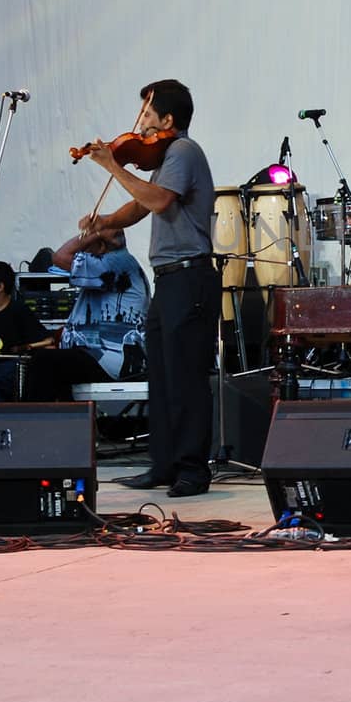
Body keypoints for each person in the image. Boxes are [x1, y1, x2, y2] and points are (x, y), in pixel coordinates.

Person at [79, 79, 220, 498]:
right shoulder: (164, 157)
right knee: (159, 376)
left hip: (189, 276)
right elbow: (140, 206)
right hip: (170, 277)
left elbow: (157, 201)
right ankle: (164, 464)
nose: (140, 123)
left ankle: (192, 470)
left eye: (147, 114)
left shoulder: (182, 151)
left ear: (168, 119)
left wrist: (112, 166)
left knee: (186, 376)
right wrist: (104, 222)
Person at [18, 226, 150, 401]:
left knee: (43, 362)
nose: (82, 251)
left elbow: (59, 257)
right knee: (55, 366)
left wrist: (94, 233)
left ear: (102, 246)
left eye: (87, 246)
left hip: (109, 359)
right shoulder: (116, 263)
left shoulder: (114, 263)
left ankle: (35, 426)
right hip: (99, 357)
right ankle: (66, 423)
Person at [0, 260, 54, 401]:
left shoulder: (18, 310)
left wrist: (27, 347)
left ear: (0, 286)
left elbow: (48, 341)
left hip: (16, 368)